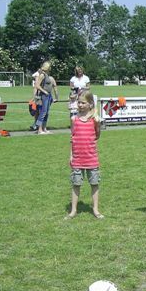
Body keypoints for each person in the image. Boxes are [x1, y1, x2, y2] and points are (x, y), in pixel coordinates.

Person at [66, 90, 102, 220]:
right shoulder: (74, 119)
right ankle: (73, 210)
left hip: (91, 157)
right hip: (77, 158)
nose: (80, 105)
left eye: (83, 102)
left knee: (94, 183)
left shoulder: (95, 120)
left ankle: (95, 209)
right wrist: (71, 155)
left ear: (90, 104)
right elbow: (72, 137)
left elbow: (97, 135)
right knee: (76, 184)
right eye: (78, 102)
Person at [33, 61, 59, 135]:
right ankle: (39, 129)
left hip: (48, 96)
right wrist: (44, 91)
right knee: (43, 112)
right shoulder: (42, 75)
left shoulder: (47, 75)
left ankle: (44, 128)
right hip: (43, 96)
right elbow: (37, 85)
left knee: (46, 113)